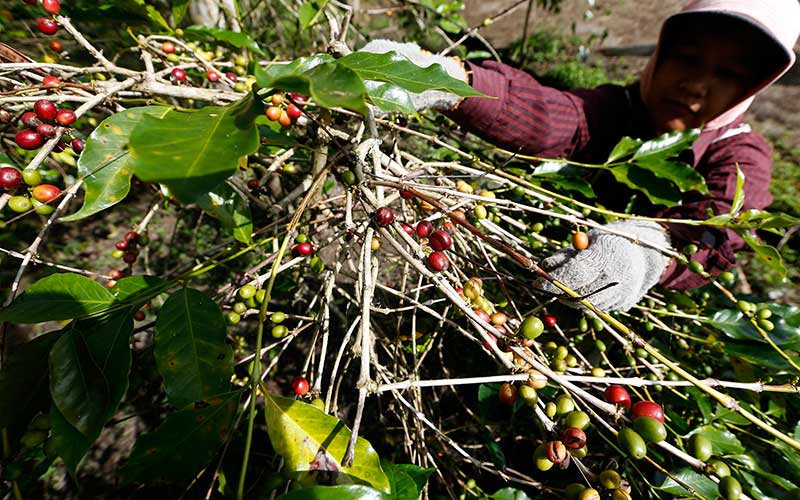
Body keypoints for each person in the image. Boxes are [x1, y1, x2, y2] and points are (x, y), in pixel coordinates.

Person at [361, 0, 800, 311]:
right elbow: (549, 115)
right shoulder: (615, 108)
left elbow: (718, 229)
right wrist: (444, 80)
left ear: (750, 91)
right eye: (686, 58)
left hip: (636, 318)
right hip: (535, 275)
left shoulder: (740, 154)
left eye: (728, 75)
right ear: (660, 55)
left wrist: (644, 254)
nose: (696, 85)